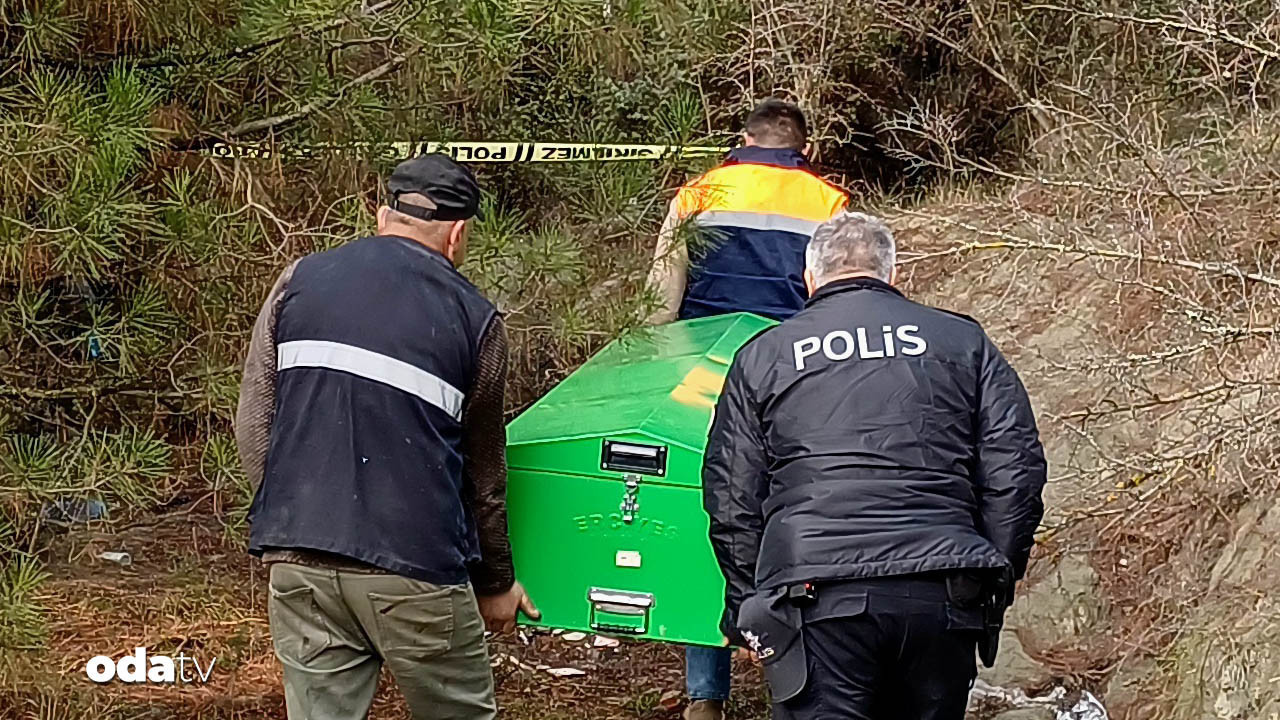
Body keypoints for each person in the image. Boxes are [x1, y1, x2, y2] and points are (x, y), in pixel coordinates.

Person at [701, 212, 1047, 720]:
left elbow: (732, 494)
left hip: (815, 596)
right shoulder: (963, 342)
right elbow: (1015, 469)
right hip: (941, 587)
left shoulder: (763, 356)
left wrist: (749, 608)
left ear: (809, 277)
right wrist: (992, 574)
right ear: (892, 273)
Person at [235, 153, 539, 720]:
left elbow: (254, 422)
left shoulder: (298, 280)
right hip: (416, 567)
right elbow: (484, 475)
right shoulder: (476, 320)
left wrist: (291, 513)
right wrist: (496, 581)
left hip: (300, 558)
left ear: (382, 216)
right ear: (457, 234)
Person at [646, 98, 849, 720]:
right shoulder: (829, 202)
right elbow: (839, 296)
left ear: (743, 138)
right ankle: (796, 674)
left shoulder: (697, 193)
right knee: (792, 512)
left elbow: (661, 299)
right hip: (793, 376)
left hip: (702, 376)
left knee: (710, 512)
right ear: (802, 147)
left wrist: (657, 373)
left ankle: (705, 696)